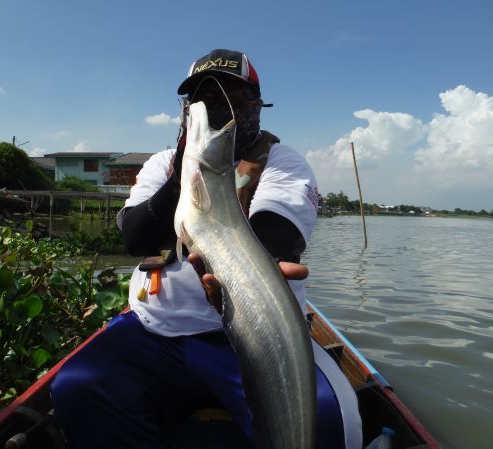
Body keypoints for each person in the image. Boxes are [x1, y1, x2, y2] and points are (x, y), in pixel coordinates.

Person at [51, 49, 362, 449]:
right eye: (200, 99)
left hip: (253, 337)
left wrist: (244, 275)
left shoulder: (285, 163)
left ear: (256, 105)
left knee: (328, 421)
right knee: (78, 389)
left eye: (230, 98)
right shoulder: (162, 165)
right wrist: (185, 174)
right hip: (156, 331)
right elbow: (135, 238)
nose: (214, 108)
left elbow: (278, 235)